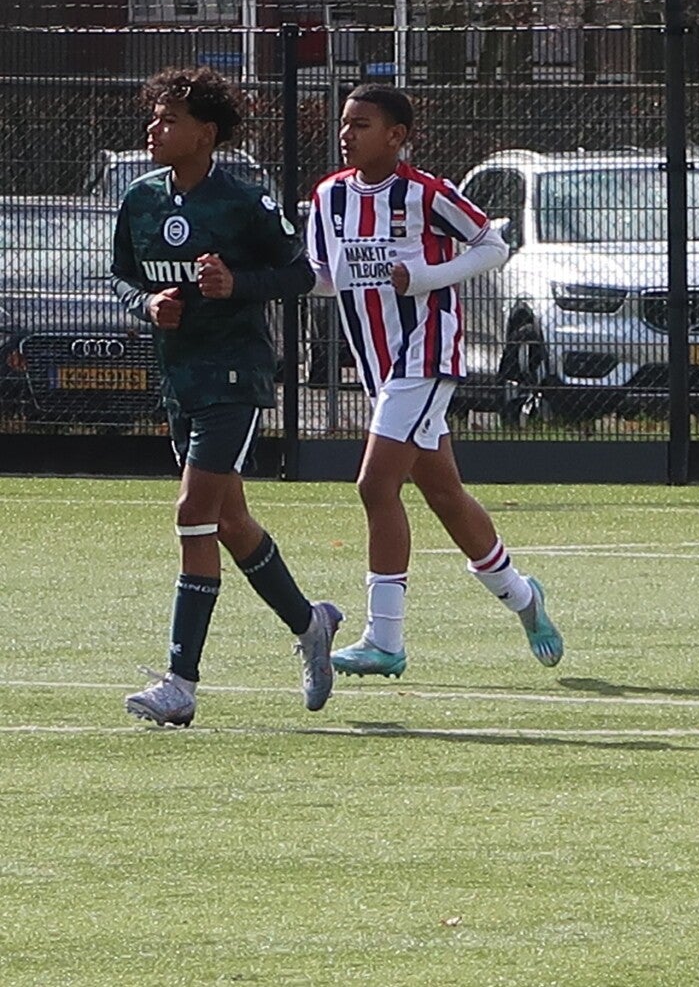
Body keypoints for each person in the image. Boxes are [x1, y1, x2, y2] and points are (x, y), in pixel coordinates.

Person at [110, 67, 342, 727]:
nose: (154, 128)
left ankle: (180, 683)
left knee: (194, 513)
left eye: (169, 120)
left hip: (234, 378)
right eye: (155, 117)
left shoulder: (243, 201)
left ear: (206, 134)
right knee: (232, 523)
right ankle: (311, 623)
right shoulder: (141, 199)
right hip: (179, 379)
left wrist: (236, 283)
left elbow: (300, 273)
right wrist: (147, 303)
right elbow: (121, 276)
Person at [307, 83, 561, 678]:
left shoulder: (426, 193)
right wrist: (250, 279)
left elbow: (492, 246)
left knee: (375, 485)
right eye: (345, 123)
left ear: (396, 136)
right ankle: (523, 597)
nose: (347, 134)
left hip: (426, 353)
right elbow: (323, 276)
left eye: (362, 124)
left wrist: (424, 276)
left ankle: (384, 639)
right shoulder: (329, 196)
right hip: (379, 365)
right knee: (444, 493)